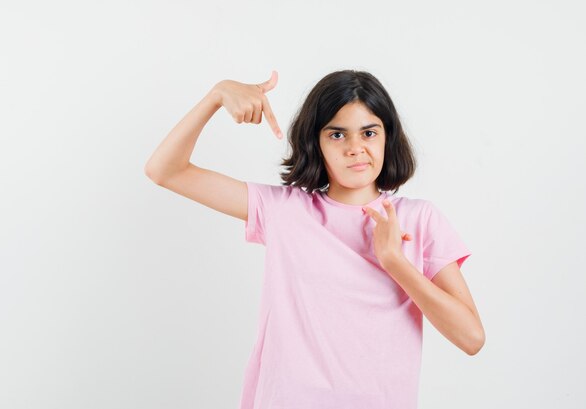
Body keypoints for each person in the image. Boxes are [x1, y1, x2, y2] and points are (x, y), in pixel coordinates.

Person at [144, 69, 485, 409]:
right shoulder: (284, 210)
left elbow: (471, 338)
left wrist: (395, 260)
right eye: (337, 135)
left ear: (387, 137)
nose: (355, 148)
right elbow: (165, 170)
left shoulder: (419, 219)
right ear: (316, 143)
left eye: (369, 132)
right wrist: (216, 96)